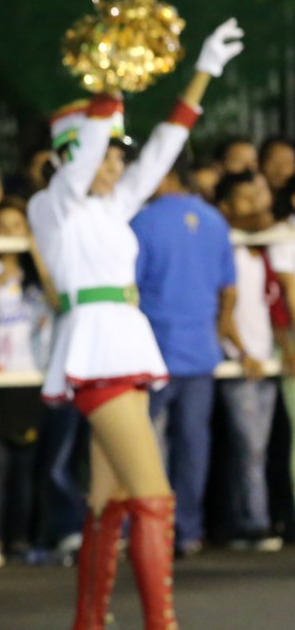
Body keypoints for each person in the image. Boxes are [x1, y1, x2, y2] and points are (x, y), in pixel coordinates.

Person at [33, 17, 243, 630]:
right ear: (70, 155)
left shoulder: (112, 206)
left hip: (123, 351)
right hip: (96, 359)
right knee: (154, 496)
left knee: (113, 501)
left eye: (116, 155)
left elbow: (161, 149)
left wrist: (202, 73)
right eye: (103, 153)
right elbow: (89, 153)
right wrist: (110, 86)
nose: (116, 162)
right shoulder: (53, 205)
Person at [131, 155, 236, 555]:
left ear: (165, 175)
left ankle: (145, 528)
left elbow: (129, 289)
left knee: (140, 444)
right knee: (194, 445)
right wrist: (217, 333)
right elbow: (229, 290)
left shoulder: (141, 221)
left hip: (152, 351)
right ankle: (186, 529)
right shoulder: (214, 220)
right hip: (201, 353)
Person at [0, 200, 59, 552]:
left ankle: (21, 540)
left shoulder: (41, 273)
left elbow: (59, 303)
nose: (9, 233)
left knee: (28, 466)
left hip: (32, 378)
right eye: (1, 226)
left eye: (17, 225)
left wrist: (38, 256)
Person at [215, 170, 294, 550]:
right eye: (246, 200)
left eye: (259, 197)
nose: (258, 207)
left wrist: (284, 347)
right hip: (239, 363)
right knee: (248, 448)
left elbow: (273, 309)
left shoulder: (264, 251)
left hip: (266, 361)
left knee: (261, 448)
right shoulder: (227, 251)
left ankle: (254, 519)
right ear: (226, 208)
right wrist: (242, 353)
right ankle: (251, 525)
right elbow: (222, 313)